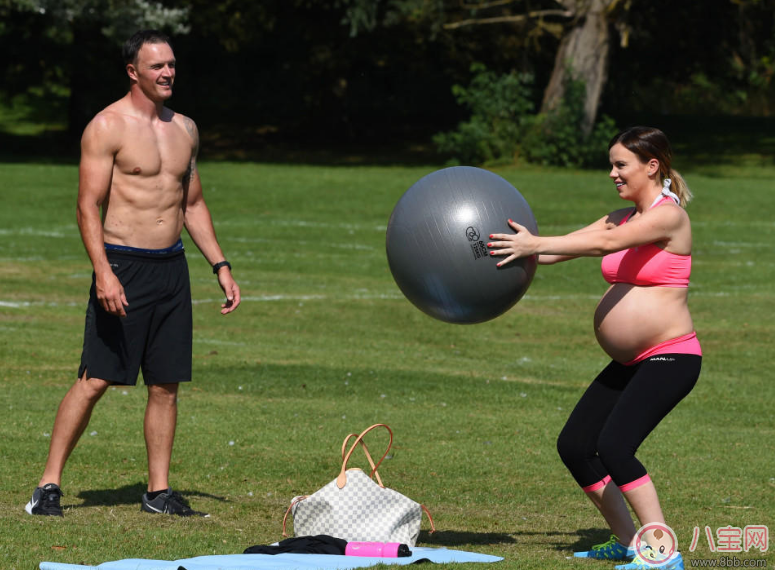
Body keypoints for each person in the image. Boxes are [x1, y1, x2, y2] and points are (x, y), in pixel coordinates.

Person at [25, 30, 241, 518]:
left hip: (172, 270)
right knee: (96, 378)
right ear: (132, 72)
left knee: (165, 384)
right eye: (156, 66)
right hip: (123, 266)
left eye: (171, 64)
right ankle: (48, 486)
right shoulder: (106, 126)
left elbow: (193, 203)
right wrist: (103, 272)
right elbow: (87, 205)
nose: (167, 73)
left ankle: (158, 492)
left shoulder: (185, 128)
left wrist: (220, 265)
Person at [489, 126, 700, 570]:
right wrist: (502, 247)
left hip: (672, 357)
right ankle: (627, 540)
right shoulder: (619, 217)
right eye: (612, 165)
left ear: (652, 166)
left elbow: (605, 245)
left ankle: (663, 554)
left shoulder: (668, 217)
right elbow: (553, 252)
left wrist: (535, 244)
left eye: (621, 165)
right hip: (631, 360)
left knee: (616, 446)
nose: (612, 174)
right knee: (576, 445)